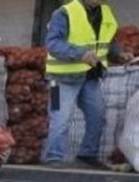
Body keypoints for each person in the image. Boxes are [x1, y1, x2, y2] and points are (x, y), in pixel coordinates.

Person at [42, 0, 133, 169]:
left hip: (90, 77)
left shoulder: (106, 13)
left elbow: (107, 42)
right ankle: (53, 157)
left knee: (97, 115)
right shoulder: (64, 12)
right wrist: (80, 53)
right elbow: (53, 43)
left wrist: (119, 54)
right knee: (59, 117)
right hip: (58, 78)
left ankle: (87, 155)